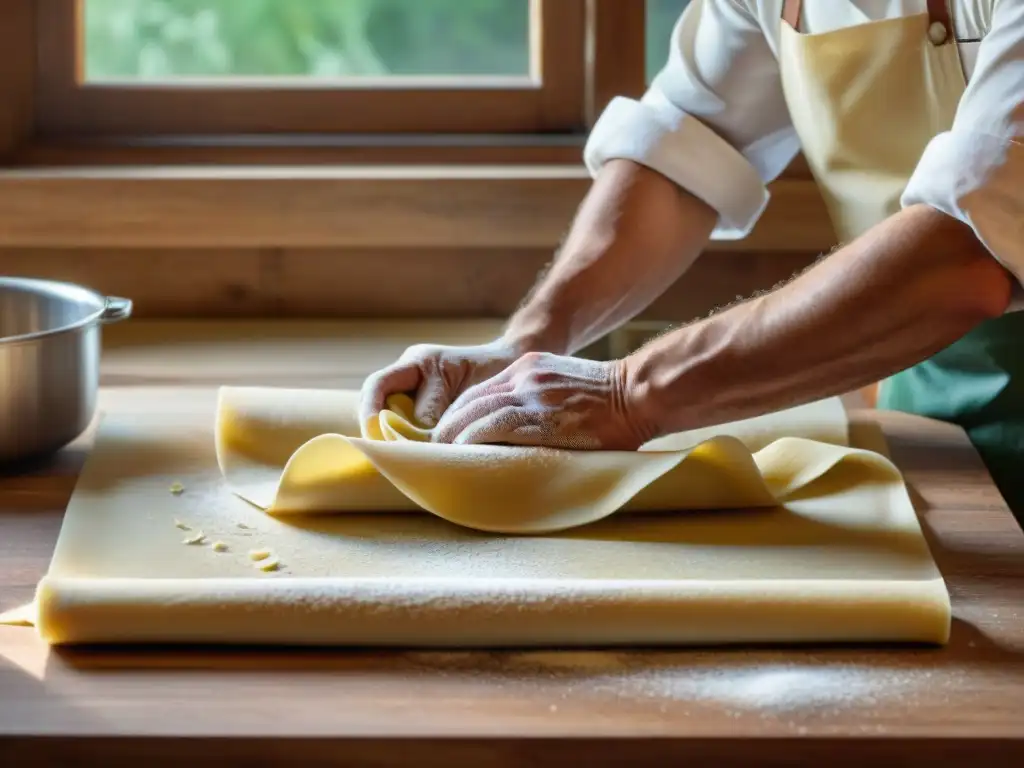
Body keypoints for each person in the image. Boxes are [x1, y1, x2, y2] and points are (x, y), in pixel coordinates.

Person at [361, 0, 1024, 513]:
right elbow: (684, 150)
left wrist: (628, 392)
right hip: (930, 423)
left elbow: (964, 250)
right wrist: (529, 340)